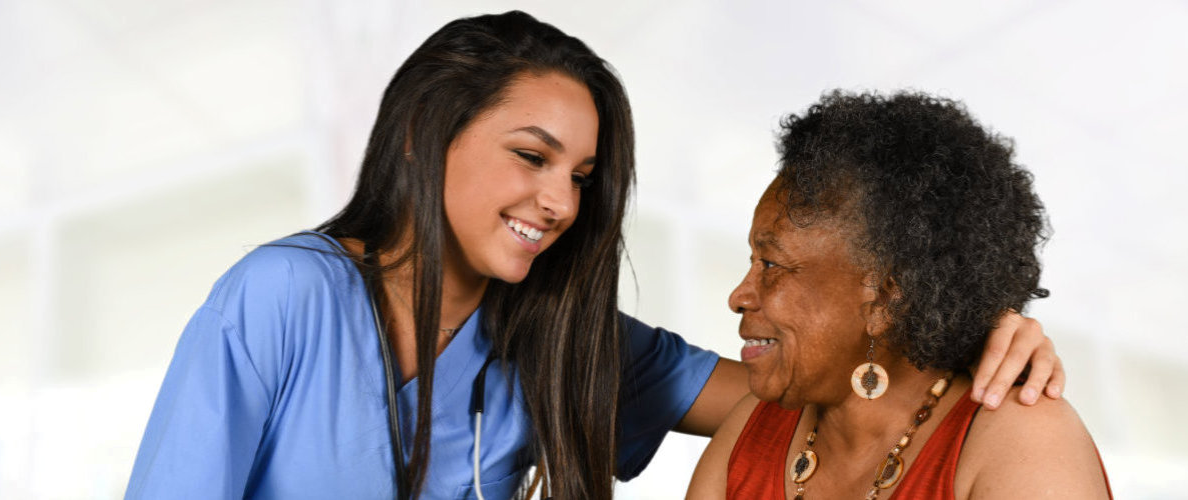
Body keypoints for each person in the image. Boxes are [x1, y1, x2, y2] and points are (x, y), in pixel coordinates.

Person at [125, 12, 1065, 500]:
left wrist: (975, 328)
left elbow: (826, 385)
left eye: (583, 175)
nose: (560, 202)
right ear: (424, 136)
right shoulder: (284, 297)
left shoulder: (563, 337)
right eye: (531, 157)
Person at [687, 90, 1112, 499]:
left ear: (886, 296)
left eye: (772, 265)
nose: (739, 296)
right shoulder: (749, 429)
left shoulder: (1024, 438)